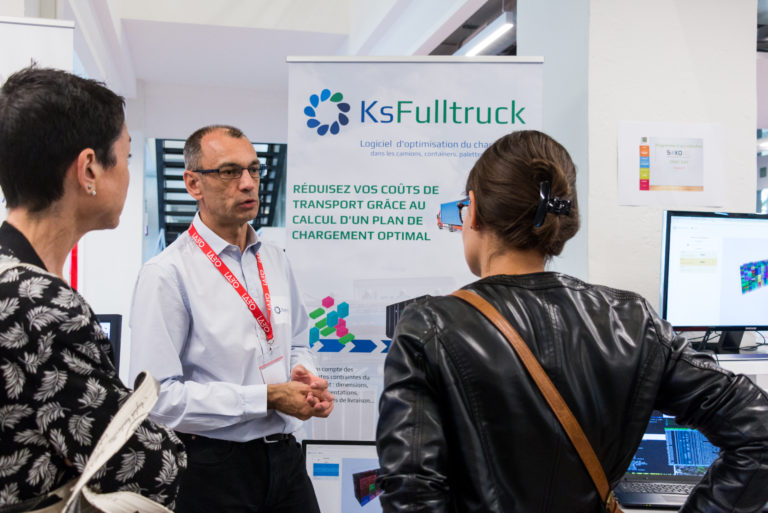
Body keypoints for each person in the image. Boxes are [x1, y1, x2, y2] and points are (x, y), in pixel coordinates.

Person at [375, 130, 768, 513]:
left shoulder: (428, 327)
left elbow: (411, 492)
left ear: (473, 211)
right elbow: (759, 433)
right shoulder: (634, 321)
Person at [0, 67, 186, 510]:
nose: (126, 174)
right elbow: (143, 463)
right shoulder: (39, 302)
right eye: (124, 157)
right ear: (88, 169)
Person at [128, 124, 334, 513]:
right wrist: (268, 398)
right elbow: (156, 400)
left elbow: (297, 341)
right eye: (229, 172)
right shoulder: (167, 274)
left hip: (286, 460)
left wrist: (303, 376)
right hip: (215, 468)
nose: (247, 183)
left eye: (254, 170)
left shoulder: (275, 259)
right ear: (193, 183)